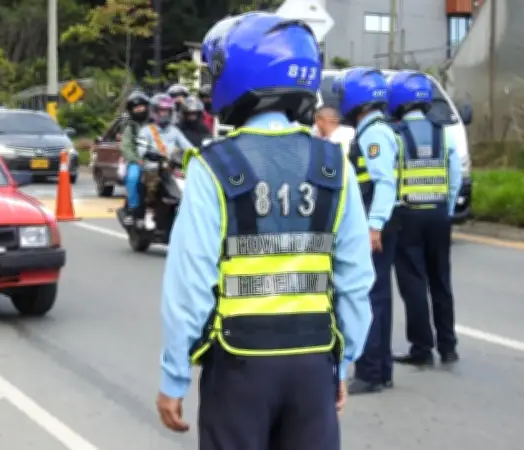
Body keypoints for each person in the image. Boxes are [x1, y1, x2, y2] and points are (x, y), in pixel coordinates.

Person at [156, 12, 375, 448]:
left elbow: (190, 286)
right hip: (313, 365)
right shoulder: (335, 167)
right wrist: (342, 363)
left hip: (239, 369)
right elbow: (355, 281)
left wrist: (174, 377)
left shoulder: (213, 167)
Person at [334, 67, 402, 395]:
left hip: (376, 225)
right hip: (382, 222)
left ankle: (369, 371)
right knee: (380, 296)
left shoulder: (373, 133)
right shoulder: (376, 129)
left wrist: (374, 226)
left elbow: (384, 182)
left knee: (369, 295)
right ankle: (381, 369)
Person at [389, 71, 462, 367]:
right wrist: (447, 208)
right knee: (441, 281)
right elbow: (454, 176)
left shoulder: (394, 136)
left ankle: (421, 348)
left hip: (408, 216)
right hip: (439, 215)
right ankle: (448, 347)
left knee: (414, 283)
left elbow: (389, 179)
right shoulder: (444, 133)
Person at [128, 93, 193, 227]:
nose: (164, 114)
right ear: (155, 112)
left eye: (167, 111)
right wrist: (147, 154)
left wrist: (198, 153)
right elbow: (140, 149)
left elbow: (188, 147)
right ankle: (149, 212)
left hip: (171, 167)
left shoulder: (174, 131)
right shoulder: (146, 131)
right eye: (161, 111)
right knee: (152, 182)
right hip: (152, 167)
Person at [120, 91, 151, 225]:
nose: (139, 109)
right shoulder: (130, 127)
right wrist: (136, 159)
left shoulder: (154, 124)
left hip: (156, 161)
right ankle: (133, 209)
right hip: (137, 161)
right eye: (135, 107)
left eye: (141, 106)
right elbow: (126, 146)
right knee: (132, 178)